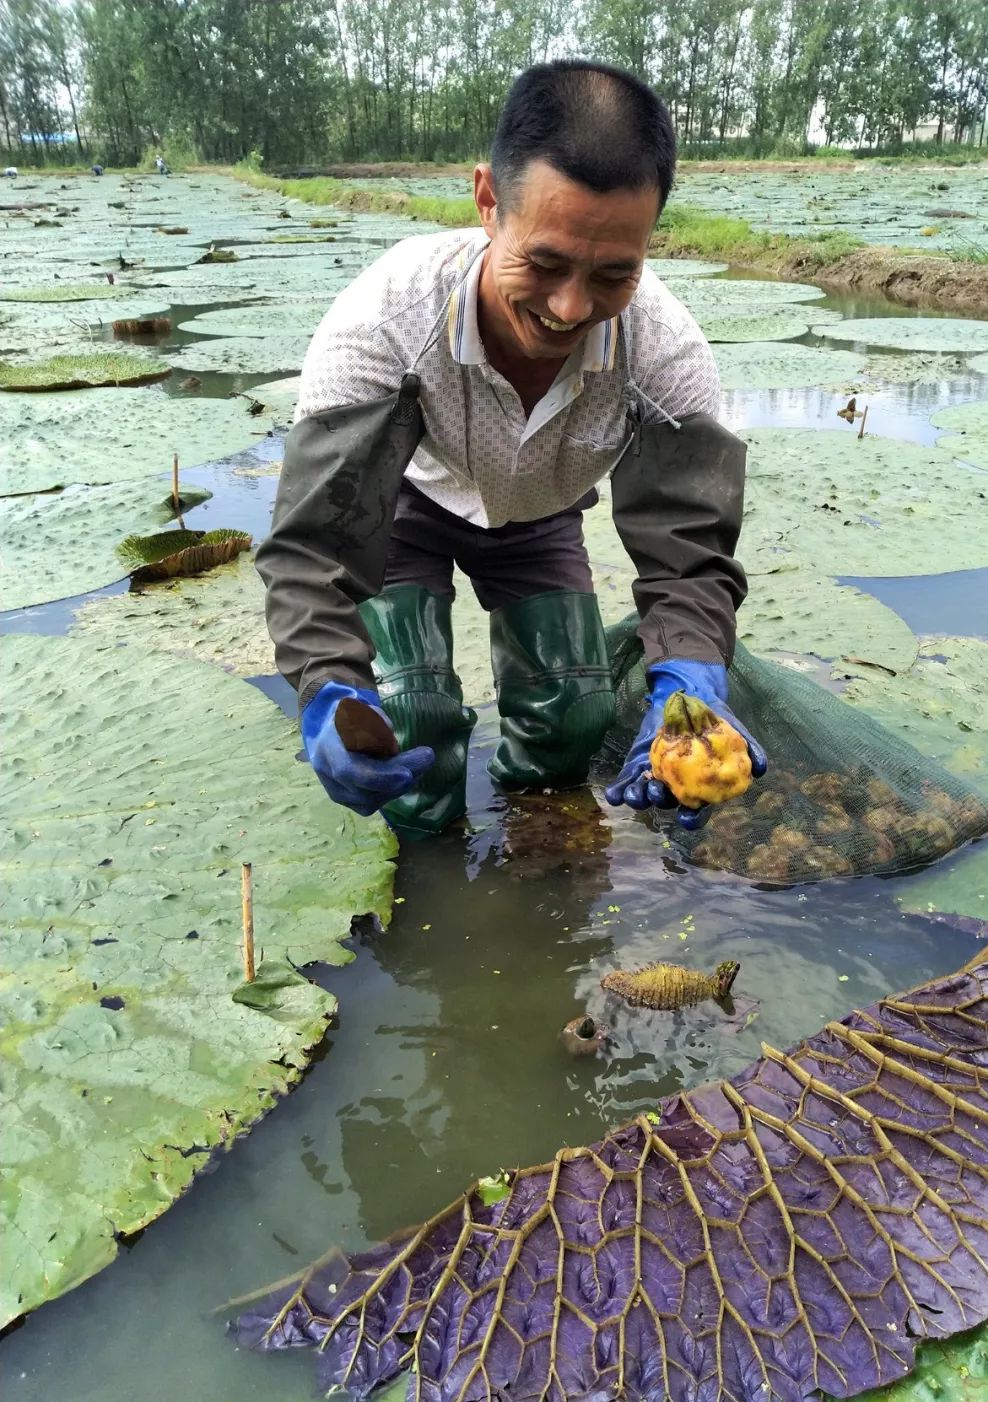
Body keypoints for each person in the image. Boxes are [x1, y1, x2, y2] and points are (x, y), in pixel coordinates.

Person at [256, 59, 766, 838]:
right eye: (547, 262)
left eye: (614, 274)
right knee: (408, 716)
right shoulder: (385, 322)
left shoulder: (666, 355)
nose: (571, 307)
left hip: (543, 511)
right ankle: (426, 870)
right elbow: (312, 543)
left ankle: (539, 850)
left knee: (575, 715)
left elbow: (689, 556)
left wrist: (690, 674)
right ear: (488, 201)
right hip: (406, 505)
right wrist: (327, 684)